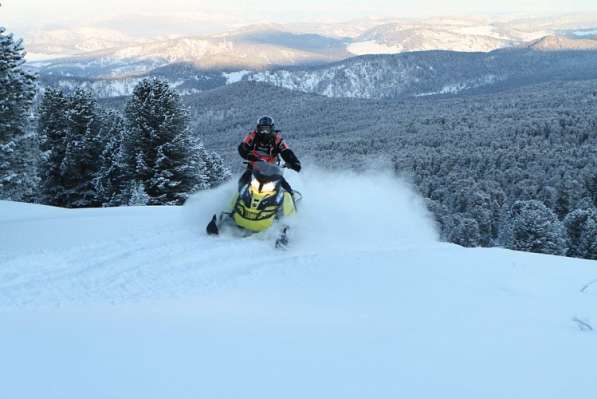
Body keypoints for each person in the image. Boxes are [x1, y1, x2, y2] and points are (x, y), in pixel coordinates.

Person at [238, 116, 301, 189]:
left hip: (271, 167)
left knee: (282, 183)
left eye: (267, 129)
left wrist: (294, 162)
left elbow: (286, 151)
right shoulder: (252, 136)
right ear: (258, 128)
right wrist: (247, 155)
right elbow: (242, 146)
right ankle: (240, 195)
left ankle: (291, 195)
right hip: (254, 163)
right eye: (262, 129)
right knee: (243, 180)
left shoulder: (277, 139)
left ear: (271, 129)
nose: (264, 132)